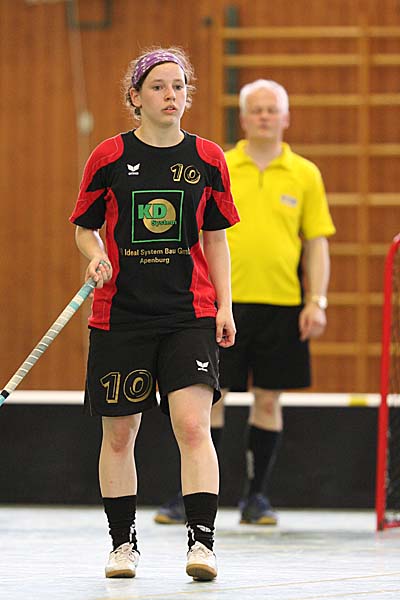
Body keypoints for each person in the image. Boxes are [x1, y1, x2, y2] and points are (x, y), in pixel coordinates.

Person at [69, 46, 239, 581]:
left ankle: (202, 543)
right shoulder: (109, 156)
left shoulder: (208, 158)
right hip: (120, 317)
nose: (171, 95)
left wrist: (225, 305)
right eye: (159, 87)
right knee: (120, 435)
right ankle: (123, 545)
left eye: (179, 86)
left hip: (189, 314)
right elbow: (85, 227)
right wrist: (96, 254)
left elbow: (216, 239)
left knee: (192, 425)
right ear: (135, 97)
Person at [155, 78, 335, 526]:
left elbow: (316, 243)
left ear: (285, 117)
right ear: (244, 118)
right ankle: (193, 497)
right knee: (209, 400)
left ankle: (257, 499)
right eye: (256, 110)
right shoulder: (219, 164)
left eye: (272, 110)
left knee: (268, 401)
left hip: (282, 304)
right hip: (221, 304)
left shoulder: (305, 174)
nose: (264, 117)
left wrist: (316, 300)